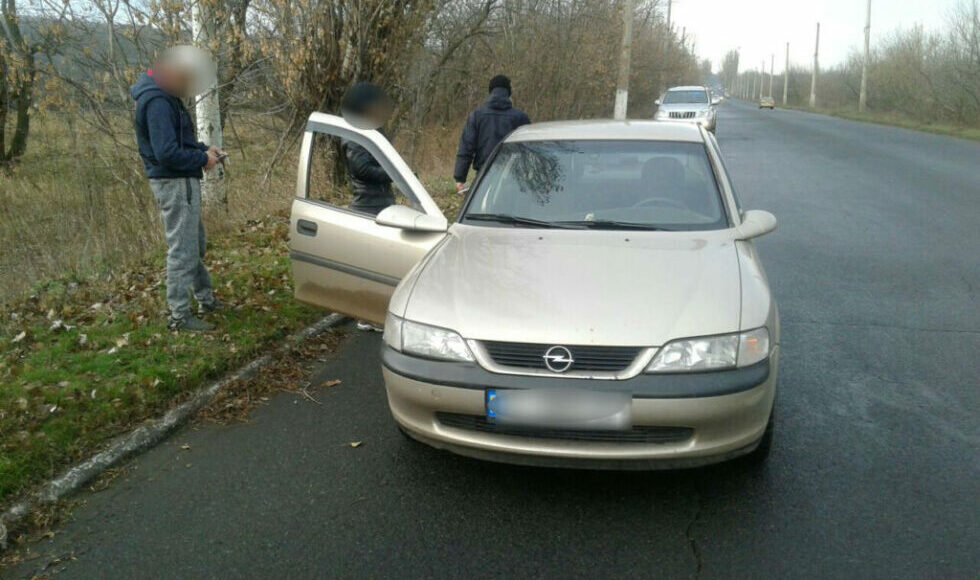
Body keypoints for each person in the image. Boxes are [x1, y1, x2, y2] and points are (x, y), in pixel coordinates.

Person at [131, 48, 224, 332]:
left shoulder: (165, 95)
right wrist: (201, 159)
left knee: (194, 244)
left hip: (182, 180)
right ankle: (179, 316)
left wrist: (203, 149)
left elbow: (178, 140)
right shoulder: (157, 102)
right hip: (174, 183)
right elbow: (167, 153)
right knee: (182, 250)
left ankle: (205, 298)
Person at [454, 75, 531, 193]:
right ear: (509, 93)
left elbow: (466, 148)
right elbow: (529, 150)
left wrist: (460, 178)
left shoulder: (477, 116)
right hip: (513, 177)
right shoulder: (520, 117)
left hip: (484, 175)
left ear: (490, 92)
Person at [340, 82, 395, 216]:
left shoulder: (372, 129)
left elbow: (386, 158)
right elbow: (362, 169)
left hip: (383, 202)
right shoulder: (354, 133)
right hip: (368, 206)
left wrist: (403, 174)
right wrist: (394, 174)